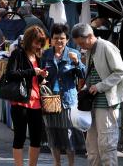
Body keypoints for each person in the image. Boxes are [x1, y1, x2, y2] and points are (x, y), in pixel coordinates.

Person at [71, 23, 123, 166]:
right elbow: (92, 74)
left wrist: (100, 86)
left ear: (90, 36)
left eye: (82, 43)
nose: (81, 47)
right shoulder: (91, 49)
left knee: (106, 144)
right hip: (93, 103)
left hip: (107, 102)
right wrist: (86, 87)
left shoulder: (106, 47)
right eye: (78, 44)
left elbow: (121, 72)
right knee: (92, 146)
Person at [41, 24, 86, 166]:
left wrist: (77, 62)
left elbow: (83, 74)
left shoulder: (74, 53)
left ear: (67, 39)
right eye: (56, 38)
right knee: (52, 132)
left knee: (68, 133)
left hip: (67, 100)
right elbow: (39, 75)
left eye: (62, 38)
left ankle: (71, 163)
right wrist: (41, 78)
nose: (59, 41)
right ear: (51, 40)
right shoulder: (46, 54)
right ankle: (57, 163)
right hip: (50, 99)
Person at [6, 26, 48, 166]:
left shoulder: (38, 55)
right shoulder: (17, 54)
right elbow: (10, 75)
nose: (38, 45)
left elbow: (37, 80)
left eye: (40, 43)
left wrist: (42, 76)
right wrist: (32, 71)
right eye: (36, 42)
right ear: (29, 40)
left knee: (37, 137)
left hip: (36, 102)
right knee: (20, 136)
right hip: (20, 101)